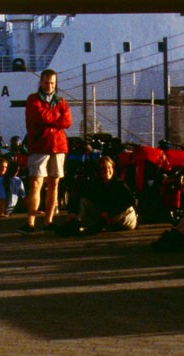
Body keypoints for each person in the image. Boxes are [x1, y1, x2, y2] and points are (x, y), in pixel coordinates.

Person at [20, 69, 73, 233]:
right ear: (40, 82)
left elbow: (68, 121)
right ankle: (30, 222)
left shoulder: (61, 100)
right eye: (46, 82)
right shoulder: (33, 100)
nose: (49, 86)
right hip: (40, 145)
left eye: (52, 83)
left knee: (54, 183)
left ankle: (48, 221)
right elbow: (41, 117)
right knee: (36, 183)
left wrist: (54, 118)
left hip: (57, 146)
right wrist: (57, 115)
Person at [57, 156, 138, 235]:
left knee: (128, 208)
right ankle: (74, 223)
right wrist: (73, 212)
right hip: (106, 219)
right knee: (84, 201)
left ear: (113, 169)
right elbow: (81, 196)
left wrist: (109, 213)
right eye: (103, 168)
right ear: (98, 171)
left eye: (109, 167)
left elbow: (130, 202)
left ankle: (96, 225)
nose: (107, 170)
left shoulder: (120, 184)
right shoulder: (96, 185)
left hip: (123, 219)